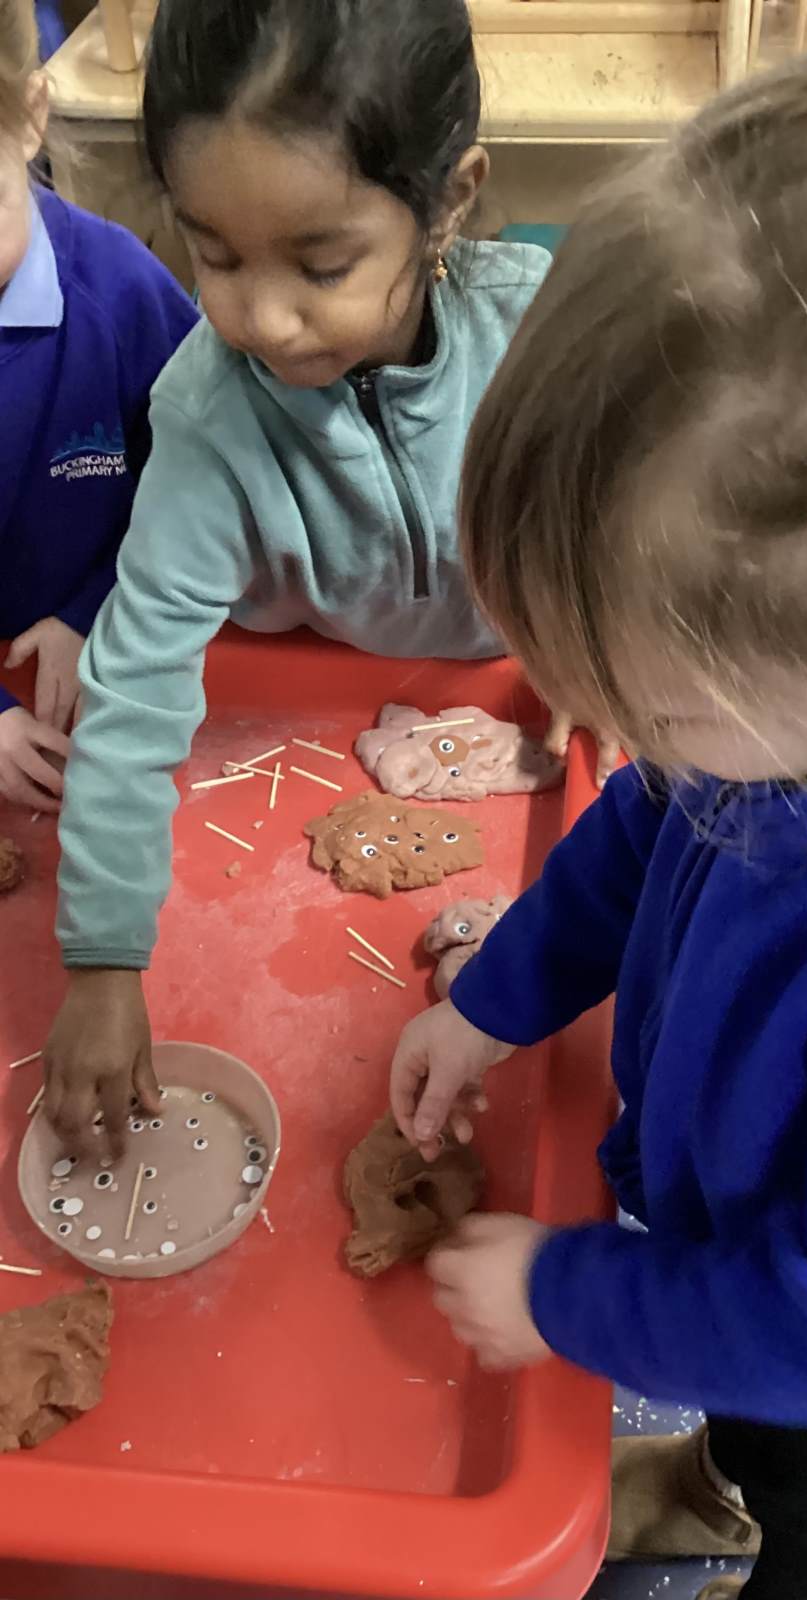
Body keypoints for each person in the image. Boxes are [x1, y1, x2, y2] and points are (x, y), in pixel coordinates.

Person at [389, 12, 807, 1600]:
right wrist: (496, 1001)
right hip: (791, 1257)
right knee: (753, 1435)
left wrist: (568, 1301)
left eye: (667, 716)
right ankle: (713, 1481)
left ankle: (758, 1514)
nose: (635, 748)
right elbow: (654, 824)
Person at [40, 0, 566, 1150]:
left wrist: (593, 650)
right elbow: (136, 692)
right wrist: (104, 960)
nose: (262, 318)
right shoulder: (207, 415)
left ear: (449, 201)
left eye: (322, 265)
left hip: (517, 674)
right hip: (298, 689)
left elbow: (610, 512)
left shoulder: (535, 335)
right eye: (215, 255)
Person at [0, 0, 197, 812]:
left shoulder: (119, 293)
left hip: (101, 652)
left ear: (28, 118)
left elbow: (199, 484)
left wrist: (98, 605)